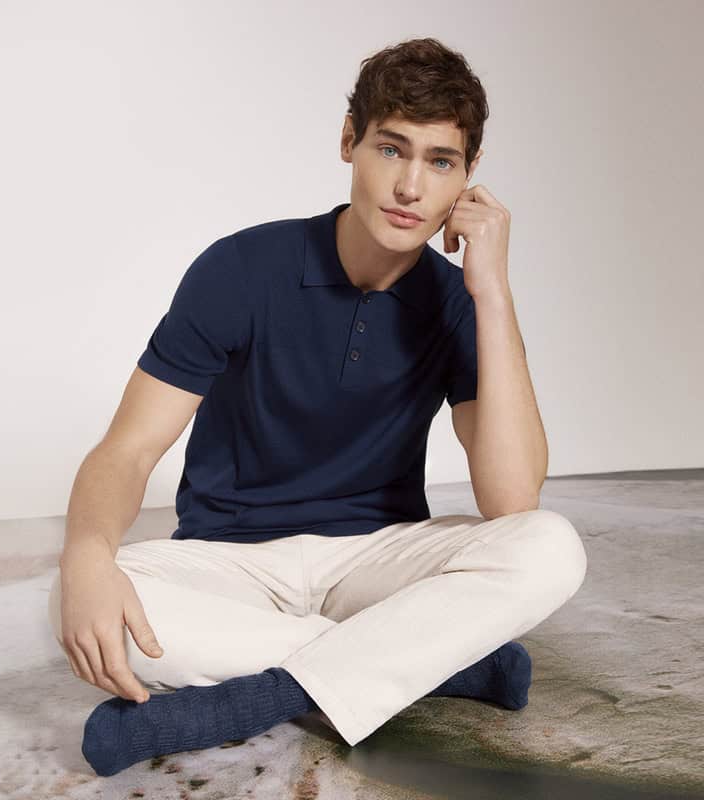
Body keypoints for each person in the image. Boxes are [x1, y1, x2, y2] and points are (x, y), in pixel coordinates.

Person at [48, 36, 587, 777]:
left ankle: (245, 701)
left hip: (374, 561)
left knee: (551, 544)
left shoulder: (455, 302)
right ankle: (440, 669)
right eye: (391, 149)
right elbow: (129, 449)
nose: (410, 186)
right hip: (230, 564)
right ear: (348, 143)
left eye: (440, 161)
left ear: (466, 178)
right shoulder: (240, 268)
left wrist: (491, 291)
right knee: (88, 598)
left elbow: (512, 499)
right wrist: (84, 558)